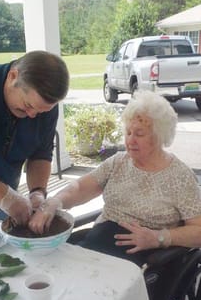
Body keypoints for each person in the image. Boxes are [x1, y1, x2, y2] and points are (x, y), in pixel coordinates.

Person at [29, 91, 201, 266]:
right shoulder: (119, 161)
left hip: (143, 258)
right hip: (99, 243)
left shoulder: (180, 177)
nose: (130, 140)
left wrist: (160, 237)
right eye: (128, 132)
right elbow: (80, 188)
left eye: (139, 134)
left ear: (160, 135)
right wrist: (54, 202)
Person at [0, 50, 69, 226]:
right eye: (28, 105)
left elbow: (41, 154)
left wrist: (37, 192)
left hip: (9, 191)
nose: (33, 115)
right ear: (13, 76)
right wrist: (5, 196)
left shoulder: (44, 106)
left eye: (42, 111)